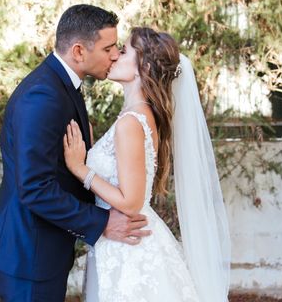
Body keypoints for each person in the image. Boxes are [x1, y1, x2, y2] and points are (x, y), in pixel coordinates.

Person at [0, 5, 151, 302]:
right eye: (108, 47)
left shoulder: (62, 86)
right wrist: (101, 222)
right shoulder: (43, 96)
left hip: (41, 248)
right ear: (78, 51)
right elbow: (34, 188)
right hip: (28, 252)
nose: (114, 55)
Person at [63, 27, 231, 302]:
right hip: (125, 240)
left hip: (130, 244)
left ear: (145, 66)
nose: (115, 55)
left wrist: (81, 169)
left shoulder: (131, 122)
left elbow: (130, 201)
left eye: (125, 50)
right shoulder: (137, 116)